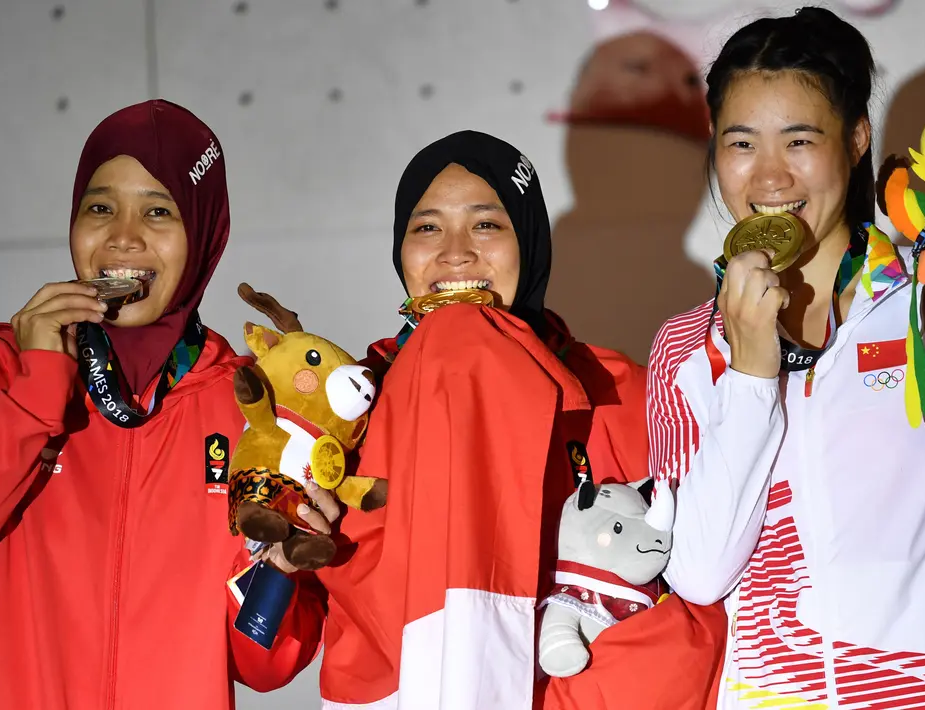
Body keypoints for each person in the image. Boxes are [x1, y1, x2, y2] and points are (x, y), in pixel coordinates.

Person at [647, 7, 925, 708]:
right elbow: (698, 574)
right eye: (741, 143)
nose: (768, 175)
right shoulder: (684, 347)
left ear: (855, 139)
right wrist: (750, 373)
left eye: (799, 140)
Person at [237, 130, 727, 709]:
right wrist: (279, 567)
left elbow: (703, 599)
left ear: (530, 241)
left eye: (487, 224)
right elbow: (258, 659)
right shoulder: (342, 415)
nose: (455, 252)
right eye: (426, 227)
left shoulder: (619, 391)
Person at [0, 99, 327, 710]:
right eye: (101, 207)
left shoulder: (249, 406)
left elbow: (263, 666)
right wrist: (33, 394)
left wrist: (279, 570)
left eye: (159, 211)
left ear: (204, 231)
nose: (123, 237)